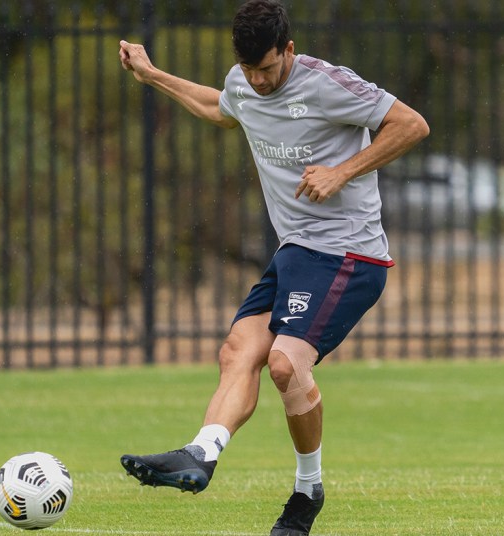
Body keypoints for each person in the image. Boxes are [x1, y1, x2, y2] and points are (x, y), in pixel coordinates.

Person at [117, 1, 428, 534]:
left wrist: (341, 172)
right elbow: (219, 106)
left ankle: (308, 491)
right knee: (238, 350)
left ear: (288, 48)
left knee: (284, 365)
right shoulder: (242, 82)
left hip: (349, 255)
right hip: (296, 253)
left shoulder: (329, 84)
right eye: (250, 70)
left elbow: (412, 125)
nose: (258, 81)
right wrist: (150, 75)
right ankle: (202, 452)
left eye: (268, 68)